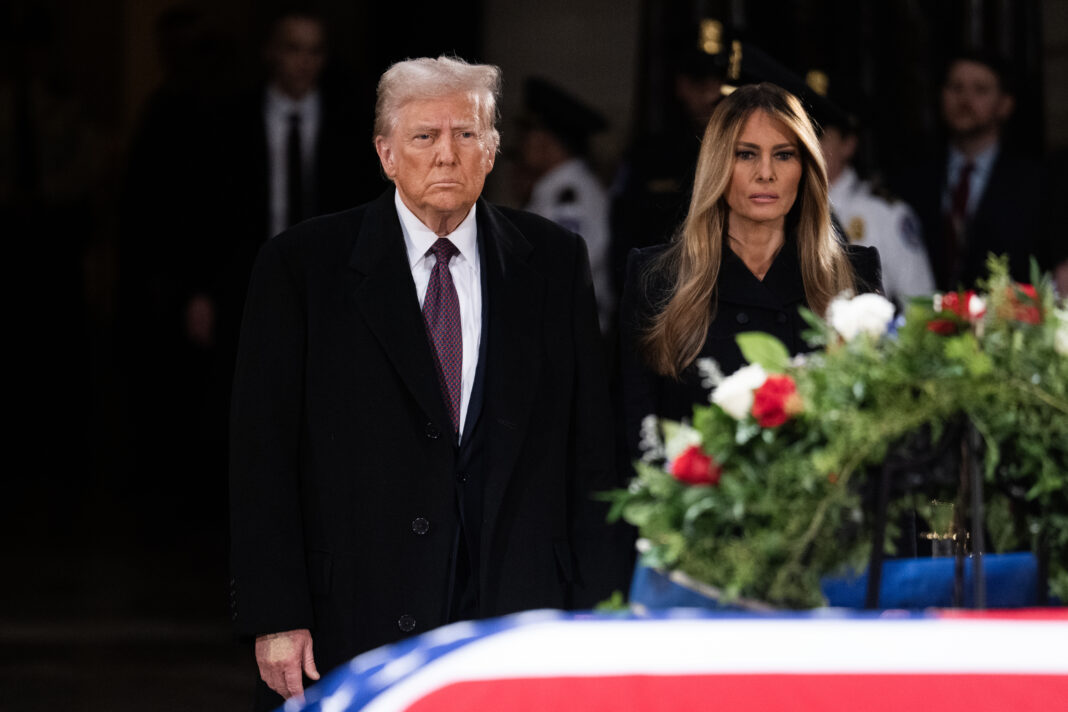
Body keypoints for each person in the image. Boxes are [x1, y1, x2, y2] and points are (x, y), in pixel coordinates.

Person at [229, 56, 630, 709]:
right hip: (352, 617)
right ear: (386, 153)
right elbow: (261, 457)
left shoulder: (553, 262)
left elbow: (591, 456)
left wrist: (597, 612)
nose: (447, 154)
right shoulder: (302, 268)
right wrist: (276, 613)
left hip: (515, 614)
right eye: (424, 137)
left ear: (493, 150)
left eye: (466, 134)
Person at [619, 83, 883, 459]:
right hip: (693, 509)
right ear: (717, 165)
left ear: (805, 168)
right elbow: (637, 438)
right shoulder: (657, 277)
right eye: (745, 154)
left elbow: (874, 434)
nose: (765, 173)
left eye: (784, 155)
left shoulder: (852, 275)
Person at [894, 51, 1041, 290]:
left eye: (980, 90)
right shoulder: (912, 176)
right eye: (955, 87)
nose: (965, 100)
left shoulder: (1035, 182)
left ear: (1005, 105)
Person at [818, 91, 934, 308]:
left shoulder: (884, 213)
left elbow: (921, 306)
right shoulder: (779, 207)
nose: (806, 144)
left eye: (818, 133)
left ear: (848, 144)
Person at [518, 77, 613, 331]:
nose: (522, 142)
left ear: (547, 140)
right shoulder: (556, 190)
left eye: (528, 131)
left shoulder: (571, 195)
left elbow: (562, 270)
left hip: (565, 334)